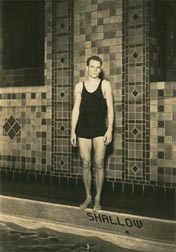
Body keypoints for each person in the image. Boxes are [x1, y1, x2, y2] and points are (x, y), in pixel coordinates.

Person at [71, 55, 114, 211]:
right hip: (83, 129)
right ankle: (88, 196)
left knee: (100, 163)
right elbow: (75, 110)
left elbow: (110, 108)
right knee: (86, 163)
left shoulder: (105, 85)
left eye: (98, 67)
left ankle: (98, 198)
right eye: (92, 66)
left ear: (100, 69)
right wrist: (72, 131)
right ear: (87, 68)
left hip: (99, 130)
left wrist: (109, 129)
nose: (95, 70)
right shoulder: (79, 87)